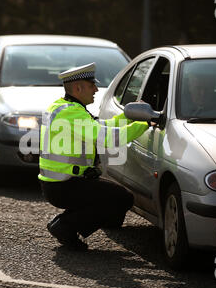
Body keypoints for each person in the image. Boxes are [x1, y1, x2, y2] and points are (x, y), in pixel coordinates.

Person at [39, 63, 151, 251]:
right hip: (65, 185)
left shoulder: (64, 107)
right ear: (78, 88)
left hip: (58, 183)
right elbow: (108, 138)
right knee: (122, 199)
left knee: (113, 196)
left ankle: (65, 222)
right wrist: (144, 124)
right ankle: (64, 227)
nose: (96, 89)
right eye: (92, 85)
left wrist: (128, 116)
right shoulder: (71, 113)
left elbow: (100, 126)